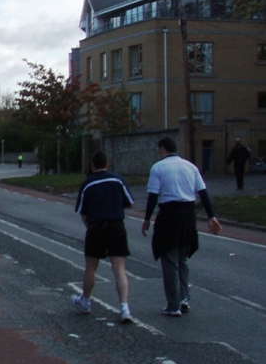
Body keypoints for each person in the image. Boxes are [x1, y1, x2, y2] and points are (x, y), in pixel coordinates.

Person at [141, 137, 222, 316]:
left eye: (158, 150)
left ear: (162, 149)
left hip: (169, 214)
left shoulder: (158, 168)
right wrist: (211, 216)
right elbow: (203, 193)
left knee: (169, 258)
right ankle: (184, 298)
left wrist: (147, 219)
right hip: (188, 215)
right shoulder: (190, 167)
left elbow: (153, 196)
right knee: (182, 258)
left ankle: (173, 304)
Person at [71, 151, 136, 323]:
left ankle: (85, 301)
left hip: (96, 227)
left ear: (92, 165)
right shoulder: (117, 180)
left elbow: (83, 213)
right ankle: (124, 307)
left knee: (91, 267)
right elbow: (130, 202)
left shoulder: (87, 184)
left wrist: (91, 227)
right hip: (116, 226)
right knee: (119, 268)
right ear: (107, 163)